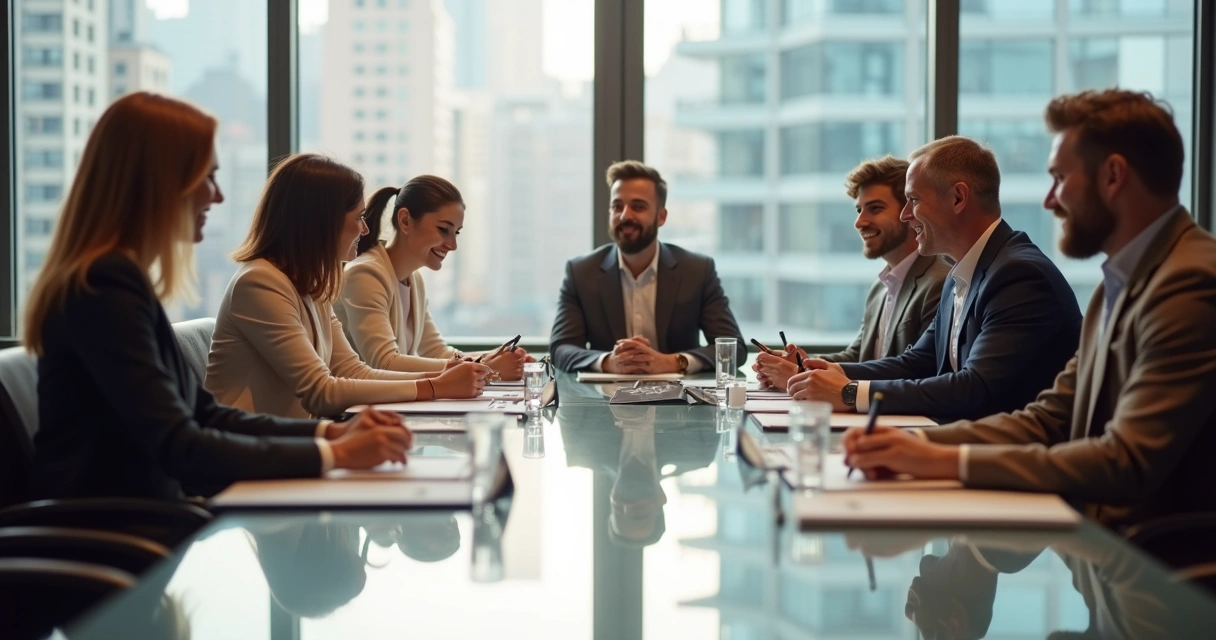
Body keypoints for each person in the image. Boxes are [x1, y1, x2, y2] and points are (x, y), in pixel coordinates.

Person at [842, 89, 1216, 530]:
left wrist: (943, 460)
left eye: (1059, 178)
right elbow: (1048, 419)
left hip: (1156, 571)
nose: (1050, 200)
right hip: (1097, 553)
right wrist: (916, 444)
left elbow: (1124, 459)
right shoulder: (1116, 286)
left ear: (1113, 176)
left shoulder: (1189, 281)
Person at [24, 93, 413, 502]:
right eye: (207, 177)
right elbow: (182, 447)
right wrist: (334, 452)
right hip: (115, 535)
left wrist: (330, 432)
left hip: (145, 520)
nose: (218, 196)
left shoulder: (120, 280)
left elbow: (205, 414)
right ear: (158, 181)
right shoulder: (104, 288)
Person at [789, 136, 1082, 422]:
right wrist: (825, 373)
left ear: (958, 198)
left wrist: (850, 393)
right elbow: (918, 362)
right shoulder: (961, 274)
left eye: (913, 200)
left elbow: (975, 388)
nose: (905, 215)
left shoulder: (1019, 276)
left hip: (1008, 459)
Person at [205, 154, 492, 419]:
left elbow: (353, 371)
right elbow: (321, 391)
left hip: (288, 443)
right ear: (320, 221)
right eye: (358, 218)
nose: (365, 230)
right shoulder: (260, 282)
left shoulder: (311, 285)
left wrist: (441, 381)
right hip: (251, 458)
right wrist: (435, 386)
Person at [753, 155, 950, 391]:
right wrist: (802, 363)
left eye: (875, 208)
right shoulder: (881, 286)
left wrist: (800, 373)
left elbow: (918, 370)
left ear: (909, 211)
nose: (859, 222)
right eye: (859, 210)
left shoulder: (940, 281)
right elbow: (859, 356)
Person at [549, 160, 746, 373]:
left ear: (661, 217)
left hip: (679, 402)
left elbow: (734, 347)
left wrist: (671, 362)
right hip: (603, 401)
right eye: (617, 206)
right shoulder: (581, 273)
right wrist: (609, 362)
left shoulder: (697, 271)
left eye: (638, 206)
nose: (625, 215)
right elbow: (561, 348)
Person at [335, 175, 531, 380]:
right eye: (443, 230)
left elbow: (437, 352)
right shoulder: (365, 274)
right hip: (355, 411)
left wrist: (495, 356)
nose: (452, 245)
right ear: (405, 220)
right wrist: (488, 368)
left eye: (456, 233)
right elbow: (385, 362)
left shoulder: (414, 280)